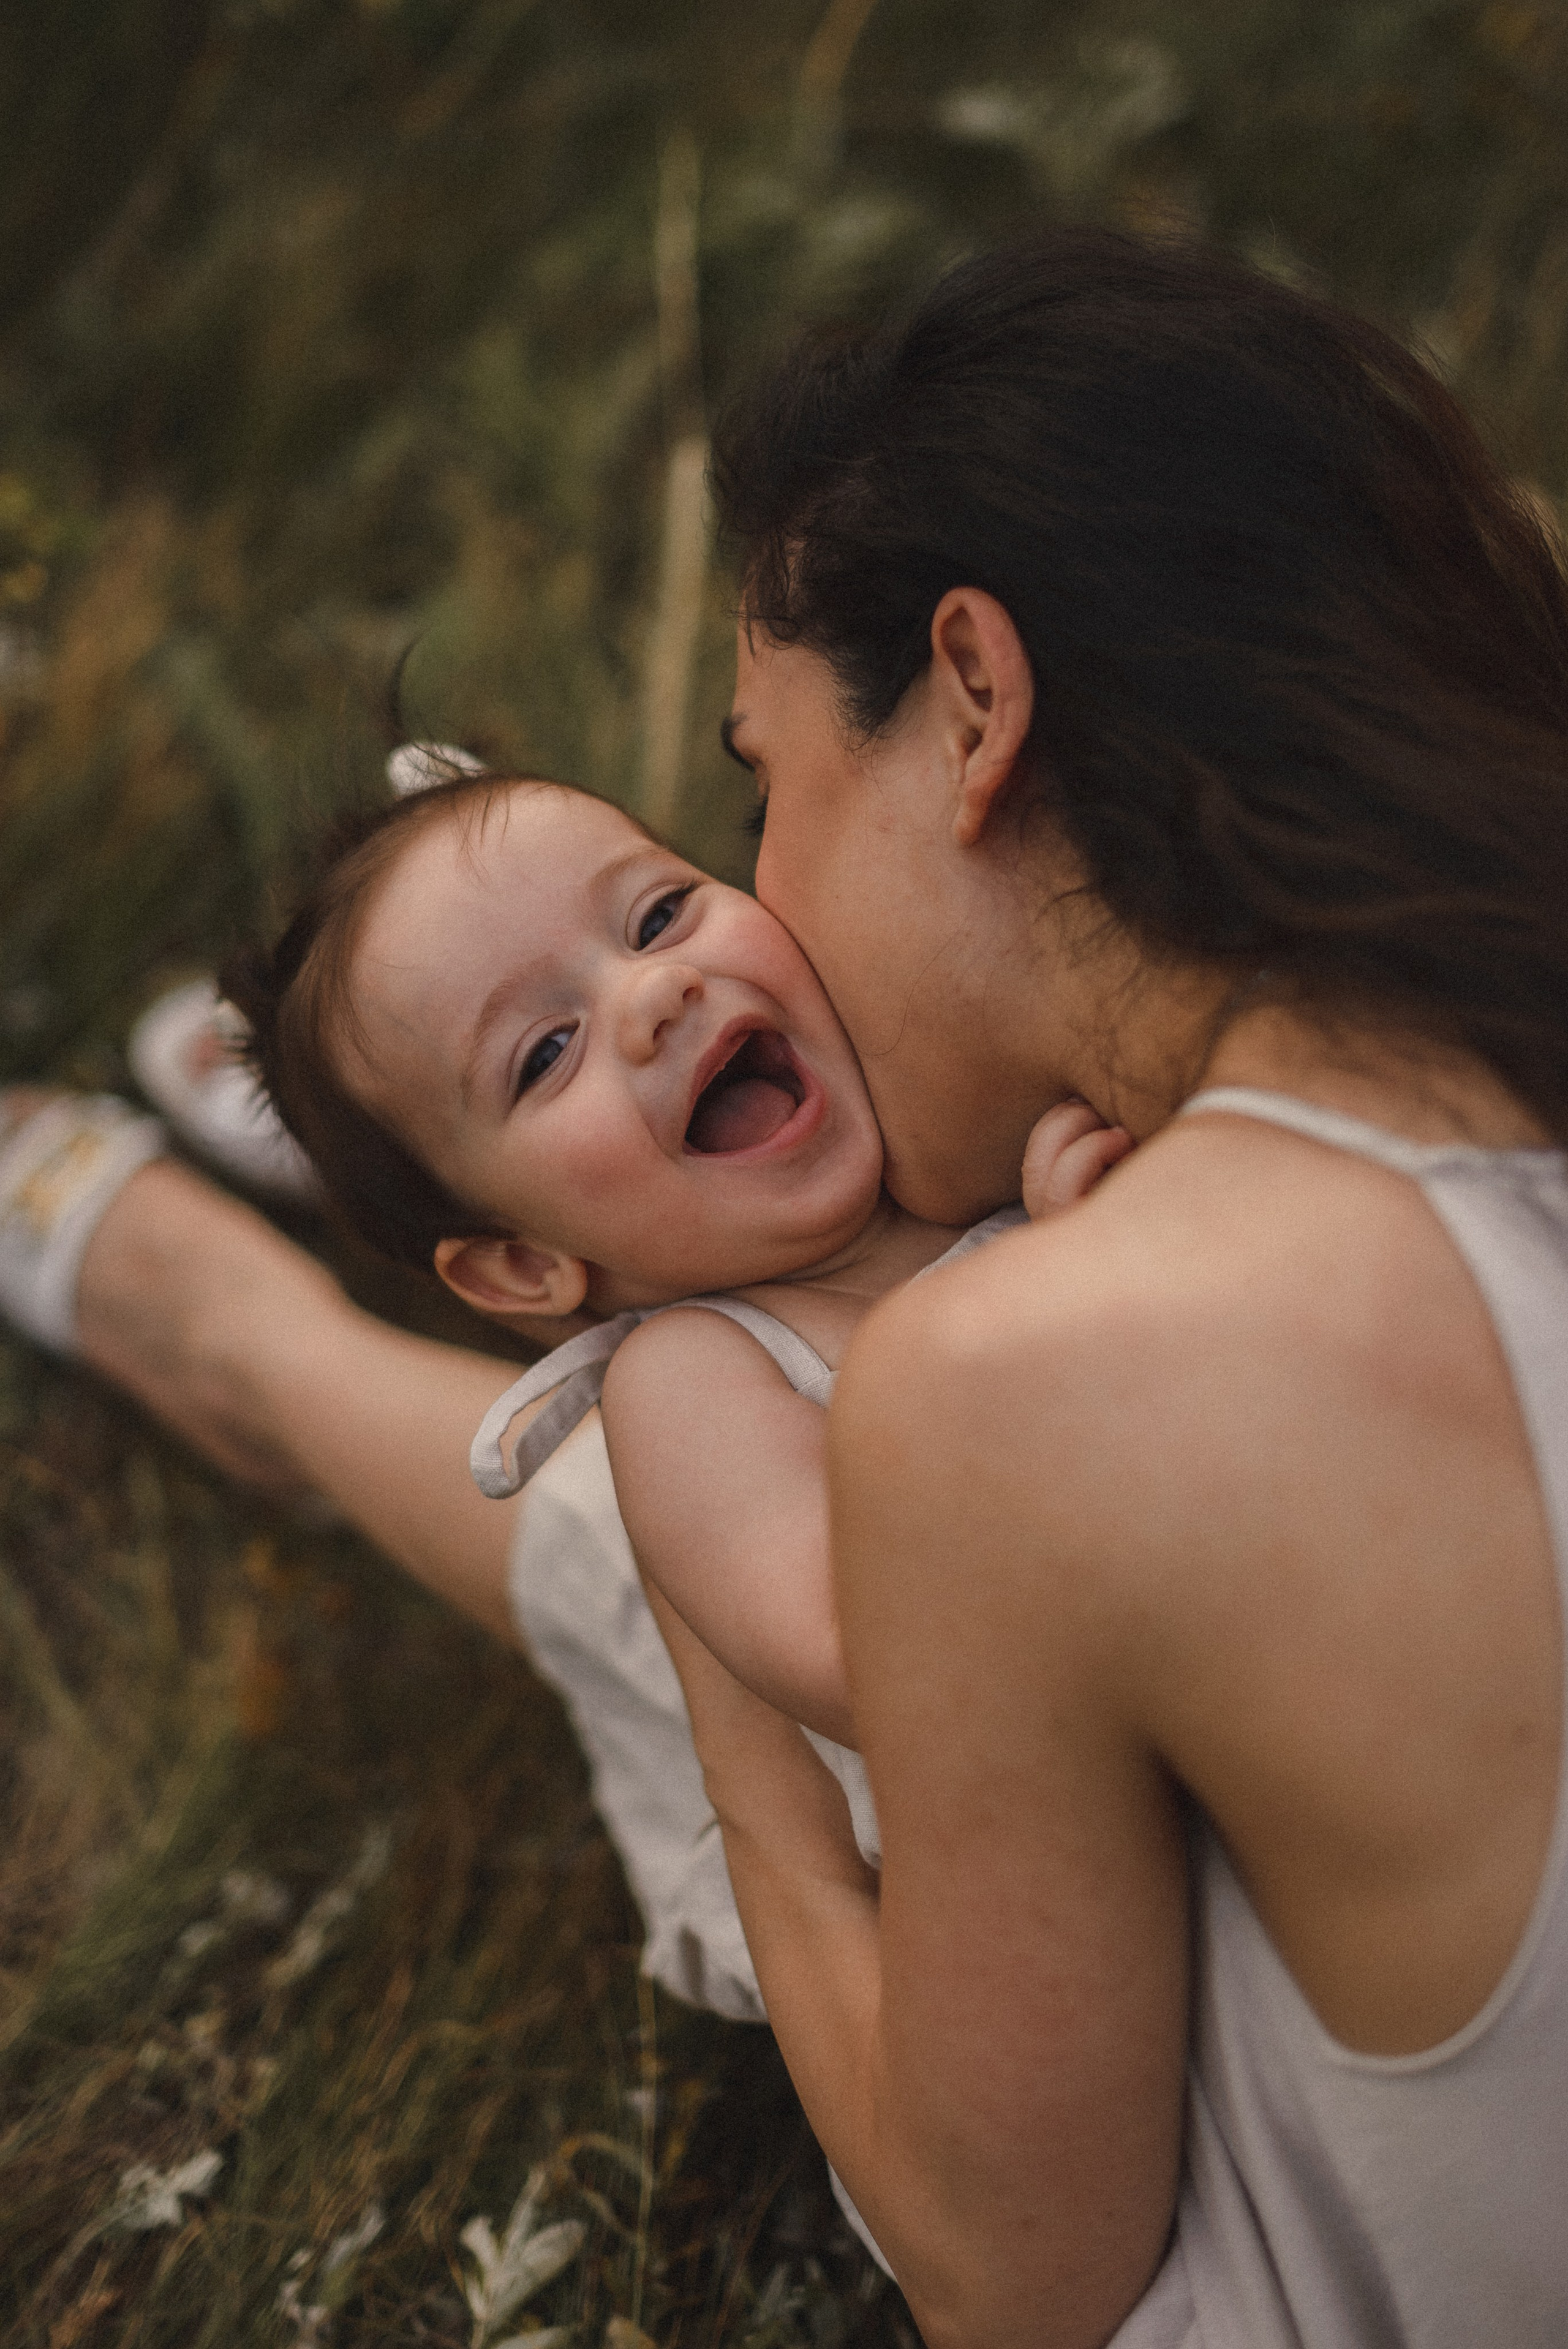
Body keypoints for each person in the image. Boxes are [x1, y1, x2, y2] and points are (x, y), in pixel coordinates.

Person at [4, 225, 1567, 2345]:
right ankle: (256, 1266)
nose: (709, 954)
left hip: (937, 1718)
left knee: (599, 1557)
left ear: (975, 705)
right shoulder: (1460, 1032)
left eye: (740, 809)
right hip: (839, 1519)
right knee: (623, 1490)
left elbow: (1012, 2276)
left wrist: (746, 1749)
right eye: (544, 1046)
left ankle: (230, 1309)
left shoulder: (1026, 1390)